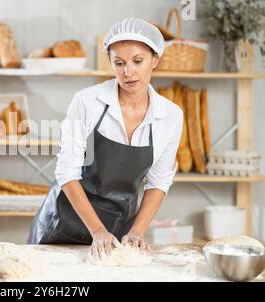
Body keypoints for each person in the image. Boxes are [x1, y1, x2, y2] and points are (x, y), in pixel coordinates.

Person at [28, 18, 183, 258]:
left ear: (155, 60)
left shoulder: (171, 115)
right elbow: (67, 172)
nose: (128, 71)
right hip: (62, 224)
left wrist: (138, 231)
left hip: (118, 228)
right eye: (119, 63)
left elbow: (158, 181)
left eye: (137, 61)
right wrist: (97, 230)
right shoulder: (87, 101)